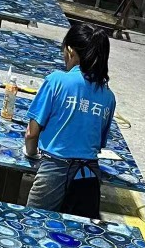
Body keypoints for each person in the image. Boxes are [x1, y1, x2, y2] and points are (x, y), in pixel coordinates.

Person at [24, 23, 116, 219]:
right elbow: (98, 143)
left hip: (54, 172)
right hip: (88, 178)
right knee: (76, 232)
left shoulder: (56, 81)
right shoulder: (108, 97)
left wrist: (31, 154)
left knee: (35, 224)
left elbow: (31, 134)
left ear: (70, 51)